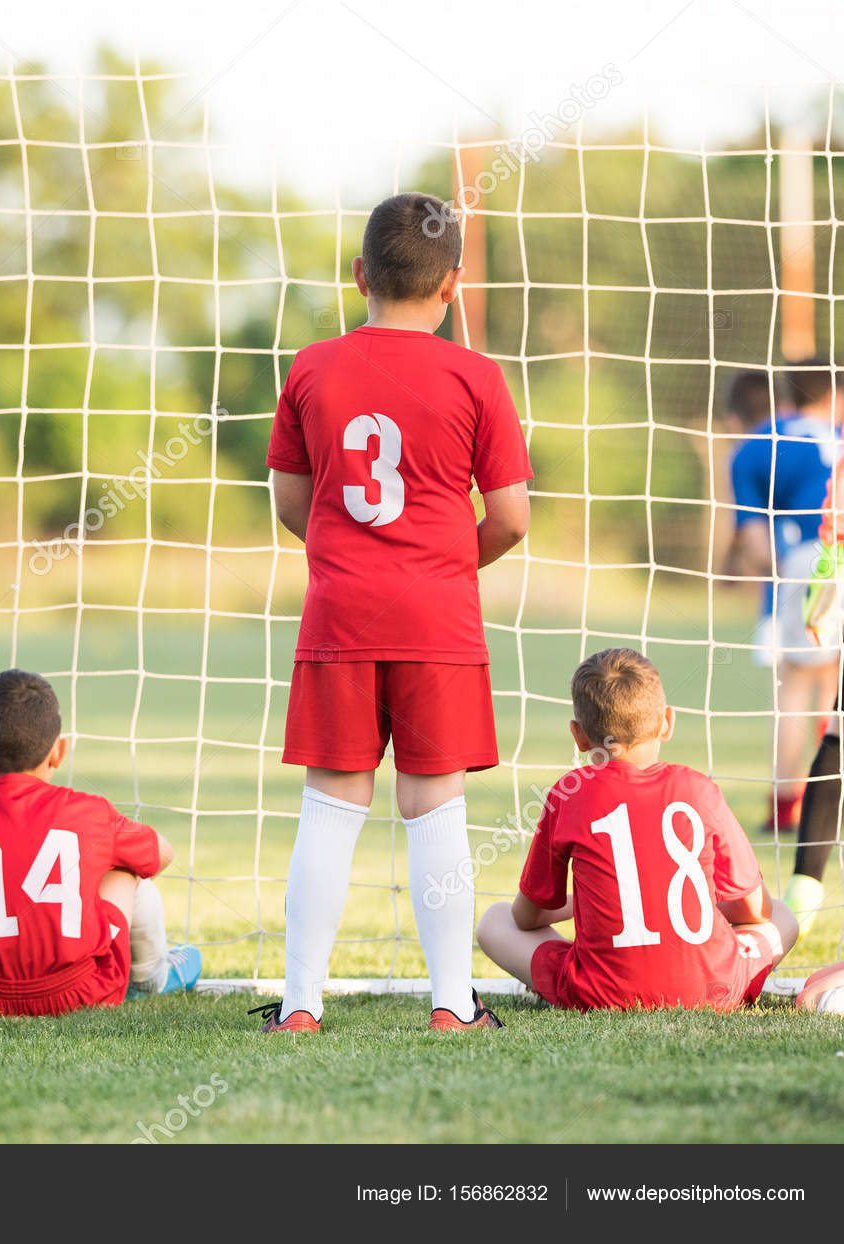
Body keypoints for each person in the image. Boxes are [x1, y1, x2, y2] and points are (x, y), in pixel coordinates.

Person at [259, 191, 532, 1033]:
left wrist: (353, 556)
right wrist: (444, 562)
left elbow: (289, 500)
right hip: (437, 623)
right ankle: (452, 1004)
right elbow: (514, 517)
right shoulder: (477, 376)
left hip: (341, 615)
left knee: (330, 807)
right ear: (453, 285)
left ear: (358, 276)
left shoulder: (310, 367)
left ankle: (301, 1005)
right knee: (435, 806)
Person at [477, 648, 797, 1010]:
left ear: (579, 736)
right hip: (714, 989)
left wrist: (586, 905)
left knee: (494, 922)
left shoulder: (569, 794)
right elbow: (756, 911)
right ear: (667, 721)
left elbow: (525, 917)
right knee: (783, 915)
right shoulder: (699, 788)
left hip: (600, 994)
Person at [0, 669, 200, 1016]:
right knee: (127, 869)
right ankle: (150, 976)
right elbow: (162, 854)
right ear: (59, 752)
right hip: (80, 991)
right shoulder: (90, 812)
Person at [724, 364, 839, 834]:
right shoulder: (837, 433)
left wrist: (782, 576)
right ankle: (834, 793)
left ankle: (786, 802)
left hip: (815, 558)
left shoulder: (759, 444)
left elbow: (756, 545)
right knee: (832, 684)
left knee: (794, 685)